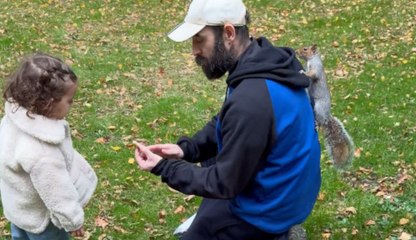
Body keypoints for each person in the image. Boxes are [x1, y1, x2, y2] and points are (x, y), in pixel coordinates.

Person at [134, 0, 321, 239]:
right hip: (291, 190)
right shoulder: (262, 62)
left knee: (200, 230)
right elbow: (226, 121)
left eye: (200, 38)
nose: (194, 50)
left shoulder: (250, 100)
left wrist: (163, 167)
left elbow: (224, 183)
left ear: (229, 33)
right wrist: (186, 150)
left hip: (269, 211)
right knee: (211, 162)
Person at [0, 53, 98, 240]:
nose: (72, 104)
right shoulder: (43, 152)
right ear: (47, 103)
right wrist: (73, 221)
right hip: (43, 221)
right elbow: (57, 192)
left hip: (19, 209)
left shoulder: (13, 119)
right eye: (69, 100)